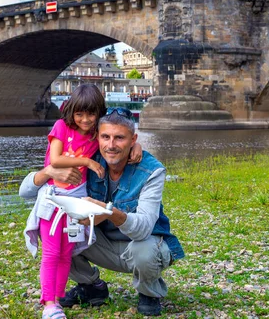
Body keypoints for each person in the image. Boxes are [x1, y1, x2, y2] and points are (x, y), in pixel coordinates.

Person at [20, 107, 184, 317]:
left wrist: (109, 213)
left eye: (120, 138)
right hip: (101, 243)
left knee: (145, 251)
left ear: (133, 139)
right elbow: (24, 191)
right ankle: (91, 287)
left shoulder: (152, 170)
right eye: (105, 137)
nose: (111, 145)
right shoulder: (87, 159)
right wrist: (48, 170)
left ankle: (148, 292)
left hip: (140, 245)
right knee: (57, 232)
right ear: (97, 137)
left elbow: (143, 229)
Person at [21, 85, 142, 319]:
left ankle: (55, 299)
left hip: (77, 203)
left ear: (98, 114)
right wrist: (86, 162)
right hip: (54, 202)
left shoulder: (96, 135)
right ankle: (49, 302)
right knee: (51, 253)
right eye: (80, 114)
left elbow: (116, 140)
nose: (85, 120)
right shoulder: (61, 127)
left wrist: (135, 145)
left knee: (66, 254)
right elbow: (55, 159)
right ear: (71, 112)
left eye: (91, 114)